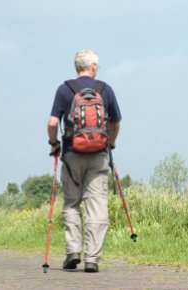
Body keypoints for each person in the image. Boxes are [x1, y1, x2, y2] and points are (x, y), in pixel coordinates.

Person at [47, 48, 122, 273]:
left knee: (72, 203)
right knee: (97, 205)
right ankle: (92, 258)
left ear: (76, 67)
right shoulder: (105, 90)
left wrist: (54, 144)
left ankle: (72, 251)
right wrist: (111, 142)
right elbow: (116, 123)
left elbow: (52, 123)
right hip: (99, 156)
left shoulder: (64, 89)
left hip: (71, 155)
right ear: (94, 67)